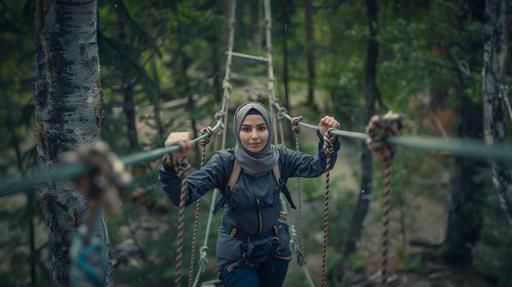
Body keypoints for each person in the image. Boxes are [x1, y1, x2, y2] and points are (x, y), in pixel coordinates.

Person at [159, 102, 341, 287]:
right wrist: (170, 163)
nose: (254, 136)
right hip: (236, 255)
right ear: (238, 131)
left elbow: (319, 166)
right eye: (246, 129)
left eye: (261, 128)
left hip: (275, 249)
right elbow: (183, 195)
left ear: (269, 129)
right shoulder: (224, 163)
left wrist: (327, 138)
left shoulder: (281, 158)